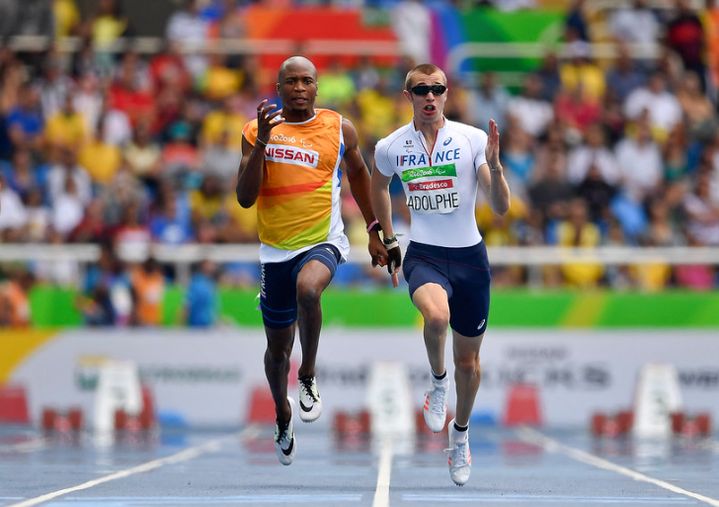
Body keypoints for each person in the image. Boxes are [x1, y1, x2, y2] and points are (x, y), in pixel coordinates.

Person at [235, 56, 384, 466]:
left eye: (307, 81)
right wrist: (263, 141)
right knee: (277, 350)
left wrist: (374, 230)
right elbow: (245, 198)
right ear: (279, 88)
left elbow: (359, 175)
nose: (300, 87)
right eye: (291, 81)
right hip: (274, 250)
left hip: (323, 240)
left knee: (309, 288)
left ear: (317, 87)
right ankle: (282, 412)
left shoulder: (340, 128)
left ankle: (308, 376)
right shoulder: (254, 130)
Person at [370, 63, 511, 486]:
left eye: (437, 89)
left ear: (446, 94)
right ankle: (436, 381)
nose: (429, 97)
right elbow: (379, 186)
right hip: (425, 254)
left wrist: (497, 168)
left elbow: (500, 207)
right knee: (436, 317)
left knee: (469, 363)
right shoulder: (391, 146)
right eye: (421, 90)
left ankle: (460, 433)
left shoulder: (471, 140)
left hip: (470, 260)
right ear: (408, 95)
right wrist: (390, 238)